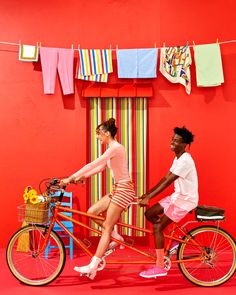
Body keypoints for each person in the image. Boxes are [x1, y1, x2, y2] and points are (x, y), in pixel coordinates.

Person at [61, 118, 135, 279]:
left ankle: (93, 265)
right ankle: (116, 237)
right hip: (118, 188)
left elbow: (93, 163)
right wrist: (82, 178)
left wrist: (71, 177)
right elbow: (99, 168)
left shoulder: (116, 148)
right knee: (92, 212)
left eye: (99, 134)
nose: (97, 137)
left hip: (124, 189)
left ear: (107, 133)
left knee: (107, 227)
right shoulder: (112, 149)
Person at [139, 126, 198, 278]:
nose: (172, 142)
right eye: (172, 139)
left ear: (184, 144)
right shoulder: (178, 158)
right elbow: (165, 178)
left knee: (157, 227)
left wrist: (149, 198)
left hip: (185, 200)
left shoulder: (185, 160)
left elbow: (168, 182)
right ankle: (172, 243)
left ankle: (160, 267)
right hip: (176, 197)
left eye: (176, 141)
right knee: (149, 213)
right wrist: (148, 193)